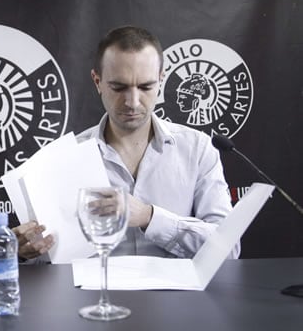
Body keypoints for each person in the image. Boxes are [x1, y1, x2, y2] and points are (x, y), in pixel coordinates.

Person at [14, 26, 237, 261]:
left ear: (161, 80)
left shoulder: (198, 149)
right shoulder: (63, 159)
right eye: (118, 87)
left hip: (178, 296)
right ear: (97, 81)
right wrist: (22, 252)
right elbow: (46, 260)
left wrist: (149, 217)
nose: (132, 102)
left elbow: (228, 249)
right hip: (93, 296)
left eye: (145, 87)